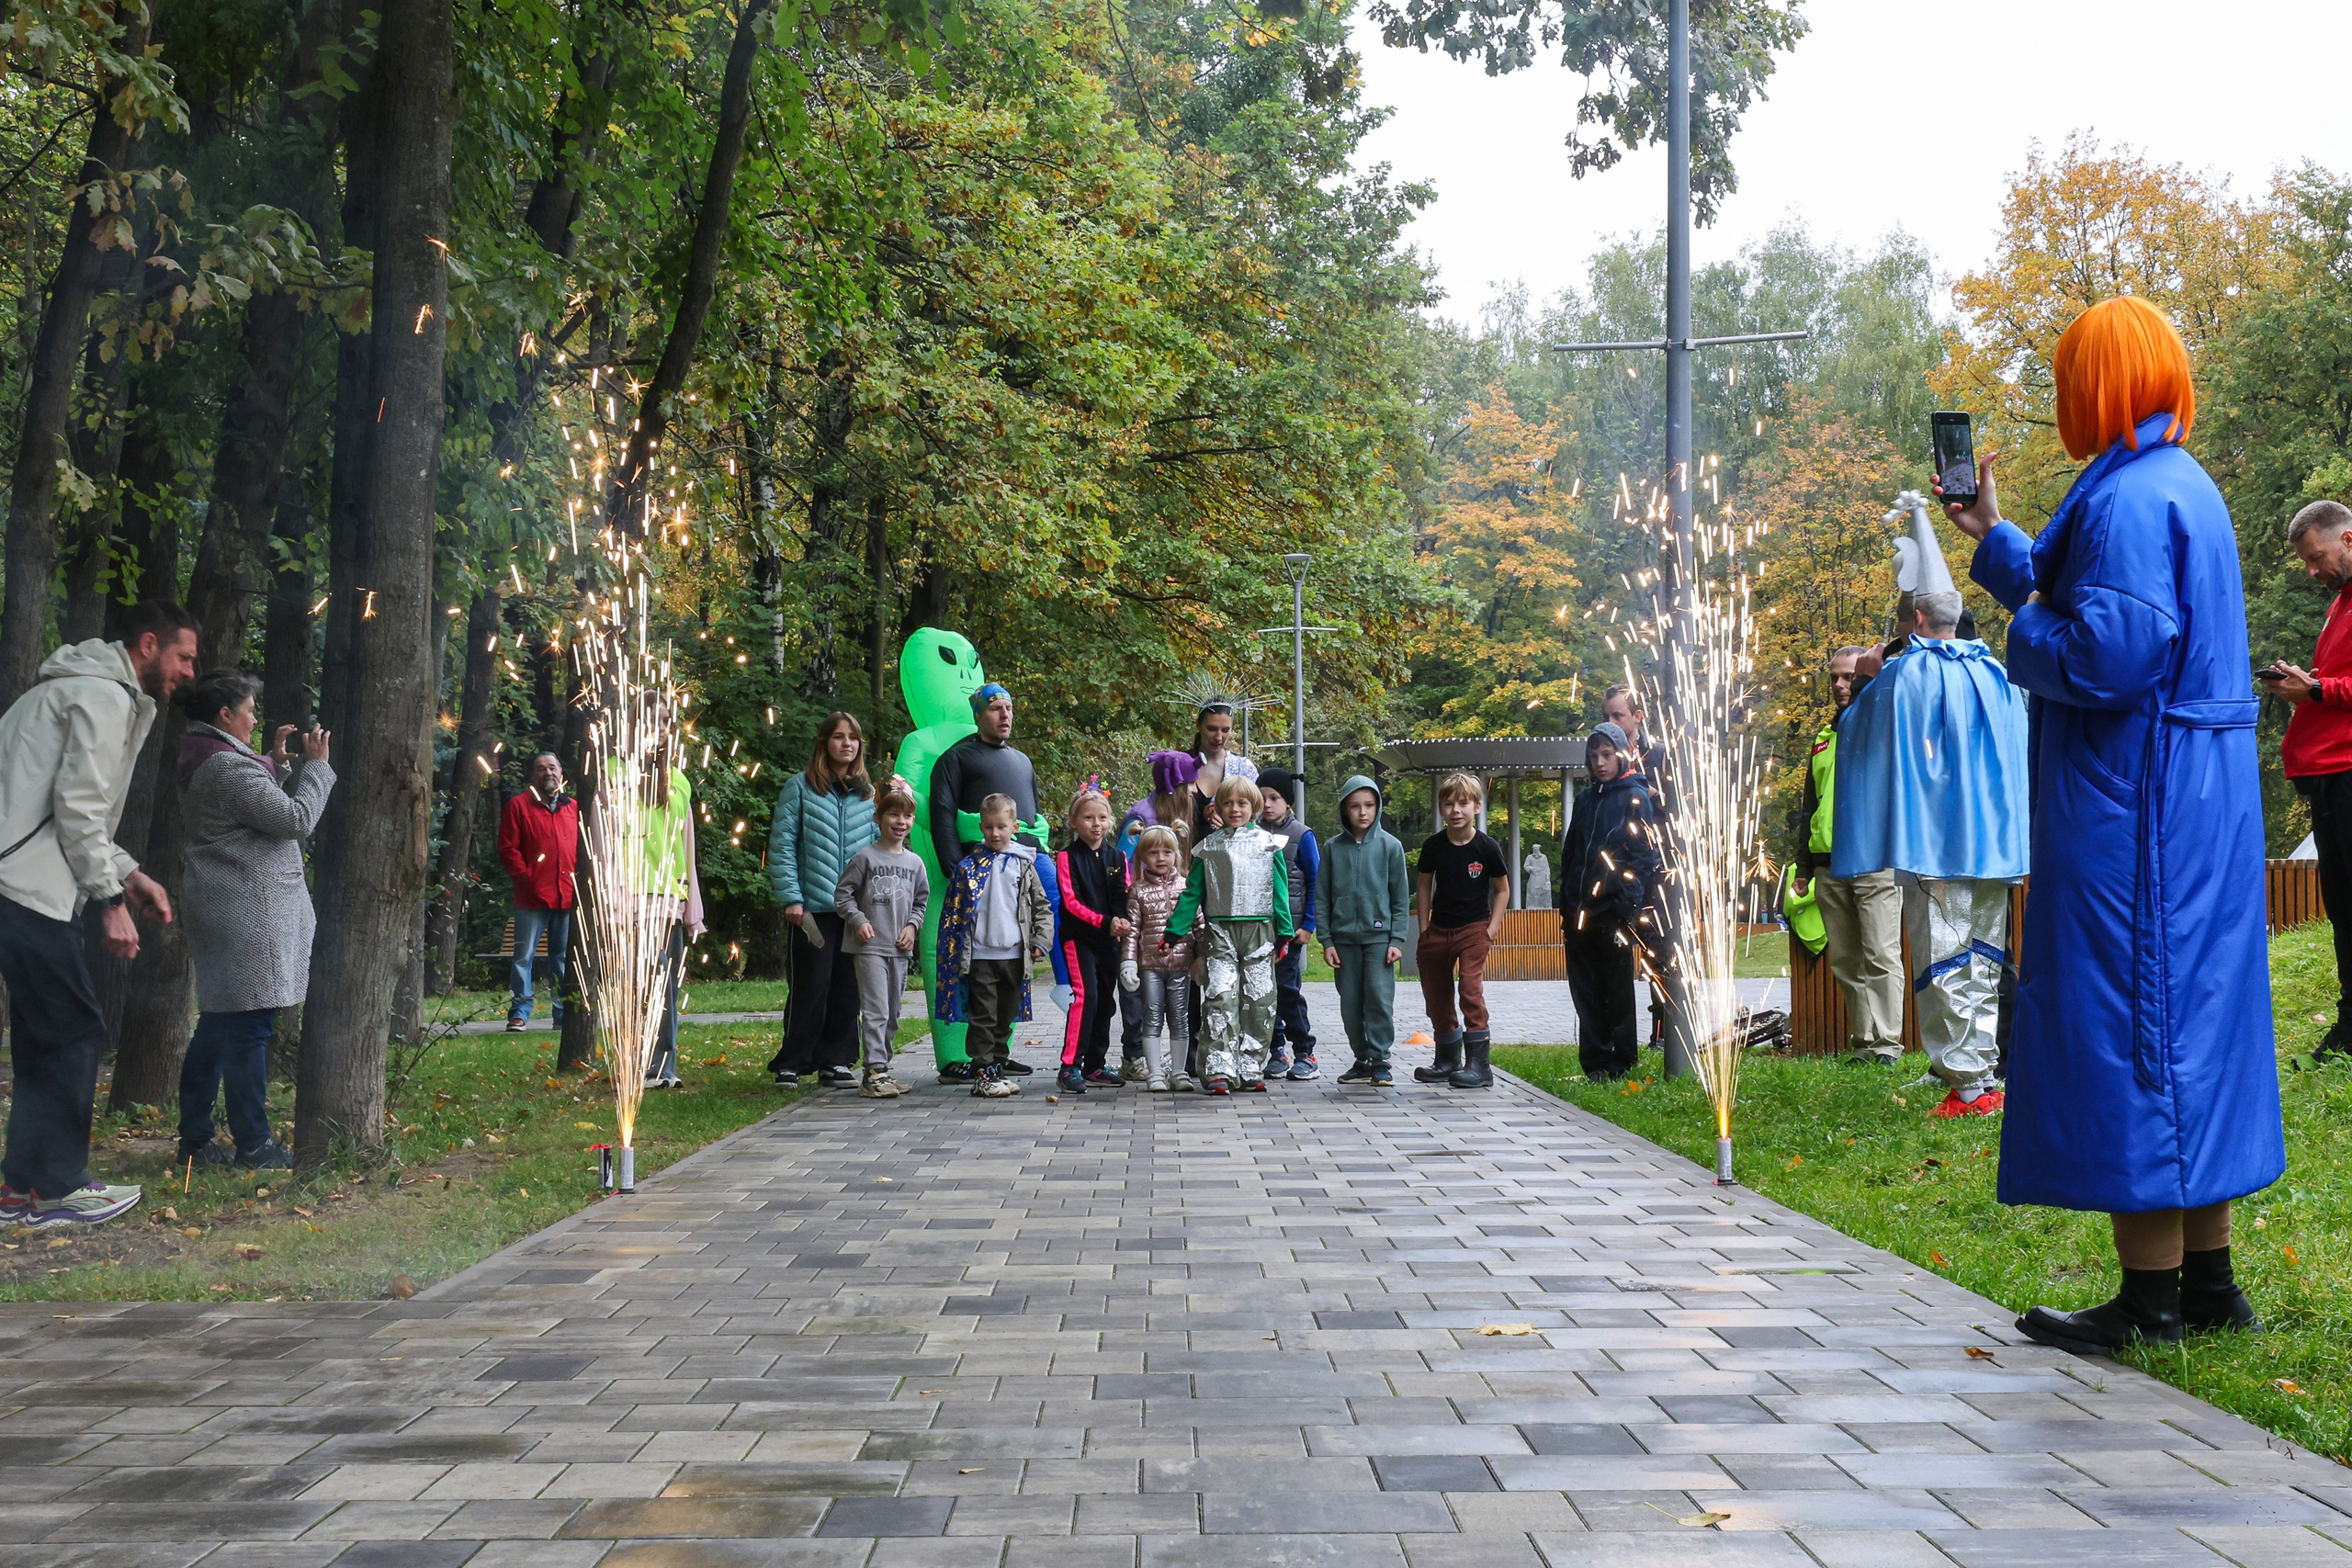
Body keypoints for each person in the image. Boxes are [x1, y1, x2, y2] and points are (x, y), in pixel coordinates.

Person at [1952, 294, 2278, 1354]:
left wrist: (2020, 637)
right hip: (2196, 798)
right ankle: (2209, 1284)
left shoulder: (2134, 498)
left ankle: (2149, 1306)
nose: (2061, 401)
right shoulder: (2175, 484)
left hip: (2134, 803)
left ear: (2097, 385)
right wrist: (1998, 542)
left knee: (2135, 1025)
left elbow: (2103, 655)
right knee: (2198, 1025)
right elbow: (2087, 594)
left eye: (2067, 381)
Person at [0, 601, 196, 1227]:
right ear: (147, 645)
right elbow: (78, 811)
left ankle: (20, 1190)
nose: (190, 671)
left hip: (16, 881)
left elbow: (63, 811)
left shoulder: (72, 689)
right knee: (76, 1028)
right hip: (24, 887)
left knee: (43, 1032)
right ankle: (58, 1186)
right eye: (183, 656)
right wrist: (111, 902)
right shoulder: (104, 698)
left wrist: (129, 873)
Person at [1835, 497, 2030, 1117]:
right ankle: (1985, 1072)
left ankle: (1967, 1084)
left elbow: (1858, 740)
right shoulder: (1998, 674)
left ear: (1915, 615)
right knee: (1985, 953)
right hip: (1995, 844)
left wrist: (1867, 676)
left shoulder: (1903, 674)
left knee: (1943, 958)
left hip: (1936, 842)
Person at [175, 670, 334, 1170]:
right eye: (248, 710)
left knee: (220, 1026)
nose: (254, 718)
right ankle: (254, 1144)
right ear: (225, 715)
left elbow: (254, 816)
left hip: (229, 907)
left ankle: (196, 1141)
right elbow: (293, 821)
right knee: (248, 1028)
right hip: (246, 912)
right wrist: (317, 769)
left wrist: (279, 770)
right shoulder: (227, 767)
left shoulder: (213, 757)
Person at [927, 681, 1063, 1077]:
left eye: (1008, 708)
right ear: (977, 715)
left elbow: (1032, 817)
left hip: (1023, 871)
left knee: (1010, 977)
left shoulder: (1021, 760)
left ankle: (1001, 1052)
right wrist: (957, 869)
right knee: (982, 979)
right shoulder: (956, 759)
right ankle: (977, 1058)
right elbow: (942, 815)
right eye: (995, 709)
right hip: (978, 874)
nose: (1005, 715)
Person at [2267, 498, 2352, 1061]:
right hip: (2326, 774)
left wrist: (2317, 690)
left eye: (2317, 557)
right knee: (2342, 906)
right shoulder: (2341, 604)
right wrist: (2313, 679)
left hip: (2347, 772)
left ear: (2348, 539)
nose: (2312, 571)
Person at [1794, 646, 1905, 1066]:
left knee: (1880, 952)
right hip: (1828, 864)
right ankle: (1864, 1042)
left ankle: (1888, 1044)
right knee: (1845, 959)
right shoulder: (1824, 738)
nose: (1841, 686)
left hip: (1875, 859)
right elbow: (1811, 804)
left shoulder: (1881, 726)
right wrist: (1803, 866)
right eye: (1835, 678)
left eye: (1848, 677)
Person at [766, 712, 876, 1089]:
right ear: (824, 743)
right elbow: (782, 847)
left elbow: (883, 849)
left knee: (848, 987)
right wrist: (792, 898)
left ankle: (837, 1059)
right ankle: (793, 1061)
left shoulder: (868, 795)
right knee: (810, 986)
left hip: (855, 911)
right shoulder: (799, 788)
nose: (847, 744)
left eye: (853, 738)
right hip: (811, 909)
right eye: (838, 737)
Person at [1163, 775, 1293, 1094]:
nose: (1235, 809)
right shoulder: (1209, 846)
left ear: (1255, 807)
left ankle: (1250, 1066)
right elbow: (1193, 892)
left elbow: (1280, 889)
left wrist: (1285, 932)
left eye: (1242, 803)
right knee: (1220, 997)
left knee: (1259, 1000)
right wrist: (1175, 930)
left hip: (1260, 930)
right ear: (1218, 807)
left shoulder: (1269, 843)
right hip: (1220, 930)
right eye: (1228, 803)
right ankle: (1219, 1068)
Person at [934, 795, 1055, 1099]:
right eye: (988, 827)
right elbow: (953, 913)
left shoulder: (1023, 865)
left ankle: (997, 1064)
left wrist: (1041, 941)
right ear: (981, 827)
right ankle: (983, 1070)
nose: (995, 833)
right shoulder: (968, 868)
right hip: (980, 956)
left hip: (1015, 954)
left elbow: (1041, 907)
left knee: (1006, 1013)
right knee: (983, 1014)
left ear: (1014, 826)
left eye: (1001, 826)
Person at [1559, 723, 1659, 1081]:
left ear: (1621, 753)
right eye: (1594, 755)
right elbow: (1571, 855)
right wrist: (1567, 903)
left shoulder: (1635, 797)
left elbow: (1643, 858)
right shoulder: (1586, 800)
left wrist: (1626, 910)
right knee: (1584, 989)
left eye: (1607, 754)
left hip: (1613, 912)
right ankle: (1594, 1064)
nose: (1600, 762)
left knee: (1615, 989)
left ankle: (1621, 1062)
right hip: (1579, 913)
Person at [833, 776, 929, 1100]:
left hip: (899, 949)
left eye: (907, 816)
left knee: (893, 1011)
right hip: (869, 947)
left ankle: (882, 1068)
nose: (900, 822)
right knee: (875, 1010)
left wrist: (913, 927)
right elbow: (842, 896)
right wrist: (858, 920)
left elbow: (921, 901)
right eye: (893, 815)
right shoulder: (865, 858)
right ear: (879, 818)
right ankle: (872, 1072)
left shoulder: (915, 863)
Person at [1414, 773, 1510, 1089]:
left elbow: (1502, 890)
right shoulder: (1434, 846)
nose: (1456, 810)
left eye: (1464, 803)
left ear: (1477, 807)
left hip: (1474, 929)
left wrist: (1491, 929)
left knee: (1469, 988)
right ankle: (1447, 1060)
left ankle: (1480, 1066)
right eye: (1449, 803)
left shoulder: (1487, 847)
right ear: (1441, 808)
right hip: (1439, 929)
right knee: (1437, 994)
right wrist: (1424, 927)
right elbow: (1424, 884)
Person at [1323, 774, 1408, 1086]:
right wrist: (1327, 940)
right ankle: (1361, 1058)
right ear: (1345, 809)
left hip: (1379, 939)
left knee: (1379, 998)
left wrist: (1396, 938)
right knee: (1350, 1002)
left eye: (1369, 805)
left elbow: (1399, 897)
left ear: (1377, 807)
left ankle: (1381, 1059)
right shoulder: (1332, 849)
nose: (1362, 813)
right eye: (1355, 806)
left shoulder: (1390, 847)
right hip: (1343, 940)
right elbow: (1322, 897)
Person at [1055, 785, 1130, 1093]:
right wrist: (1106, 922)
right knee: (1085, 997)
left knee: (1105, 1002)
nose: (1096, 824)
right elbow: (1071, 903)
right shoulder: (1066, 857)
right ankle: (1069, 1065)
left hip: (1109, 941)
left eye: (1102, 818)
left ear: (1110, 822)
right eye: (1088, 818)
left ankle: (1095, 1065)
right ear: (1074, 822)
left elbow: (1122, 894)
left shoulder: (1118, 857)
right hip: (1079, 939)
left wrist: (1122, 920)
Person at [497, 751, 578, 1032]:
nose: (548, 773)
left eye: (552, 768)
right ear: (533, 774)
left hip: (566, 896)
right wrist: (525, 877)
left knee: (561, 958)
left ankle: (563, 1013)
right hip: (531, 897)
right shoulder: (518, 806)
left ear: (561, 772)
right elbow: (508, 848)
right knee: (523, 957)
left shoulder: (574, 808)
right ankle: (519, 1012)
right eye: (541, 769)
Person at [640, 752, 705, 1089]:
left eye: (667, 721)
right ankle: (651, 1065)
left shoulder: (679, 781)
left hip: (670, 896)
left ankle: (663, 1066)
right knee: (650, 982)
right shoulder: (614, 775)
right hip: (632, 894)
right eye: (654, 719)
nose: (660, 728)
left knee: (668, 985)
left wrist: (691, 903)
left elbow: (686, 844)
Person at [1255, 767, 1319, 1080]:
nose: (1267, 804)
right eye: (1262, 798)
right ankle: (1275, 1051)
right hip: (1256, 932)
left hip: (1289, 933)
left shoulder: (1301, 836)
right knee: (1261, 993)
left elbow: (1316, 883)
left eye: (1275, 798)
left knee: (1287, 992)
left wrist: (1308, 925)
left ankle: (1305, 1051)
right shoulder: (1250, 834)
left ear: (1288, 802)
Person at [1122, 826, 1196, 1091]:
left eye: (1167, 851)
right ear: (1142, 856)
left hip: (1182, 964)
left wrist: (1203, 957)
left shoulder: (1187, 887)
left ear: (1177, 854)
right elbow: (1131, 931)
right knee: (1151, 1015)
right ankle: (1154, 1072)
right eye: (1153, 852)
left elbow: (1198, 924)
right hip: (1150, 965)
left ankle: (1178, 1071)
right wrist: (1128, 962)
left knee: (1180, 1016)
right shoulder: (1138, 891)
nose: (1161, 858)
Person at [1521, 845, 1551, 910]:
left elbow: (1547, 868)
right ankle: (1532, 906)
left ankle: (1544, 906)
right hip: (1534, 876)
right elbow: (1526, 866)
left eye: (1537, 849)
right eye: (1534, 849)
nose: (1536, 850)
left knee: (1543, 891)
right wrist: (1531, 869)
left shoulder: (1544, 857)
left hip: (1543, 876)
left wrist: (1547, 879)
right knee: (1533, 891)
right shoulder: (1529, 857)